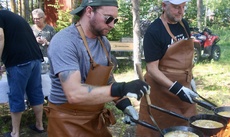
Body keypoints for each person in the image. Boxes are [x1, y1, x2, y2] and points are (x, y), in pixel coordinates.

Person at [46, 0, 149, 137]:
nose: (112, 25)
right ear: (89, 11)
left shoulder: (103, 42)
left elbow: (107, 80)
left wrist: (125, 104)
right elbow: (74, 94)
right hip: (67, 121)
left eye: (115, 20)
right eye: (108, 19)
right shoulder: (65, 42)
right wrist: (122, 88)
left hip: (95, 119)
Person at [136, 0, 199, 136]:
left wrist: (190, 80)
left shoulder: (184, 24)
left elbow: (186, 57)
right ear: (164, 6)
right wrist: (176, 88)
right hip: (160, 92)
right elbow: (152, 69)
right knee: (157, 129)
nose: (181, 11)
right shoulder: (154, 31)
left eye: (183, 7)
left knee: (184, 129)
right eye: (176, 7)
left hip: (184, 88)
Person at [0, 10, 45, 137]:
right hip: (35, 59)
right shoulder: (12, 16)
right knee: (35, 92)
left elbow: (0, 37)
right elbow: (17, 41)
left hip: (19, 62)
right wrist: (5, 63)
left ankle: (15, 133)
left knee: (16, 96)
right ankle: (39, 125)